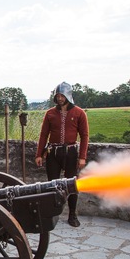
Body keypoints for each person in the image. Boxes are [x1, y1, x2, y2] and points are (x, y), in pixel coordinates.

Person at [35, 82, 89, 227]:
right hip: (53, 152)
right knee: (52, 184)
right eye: (57, 96)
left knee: (72, 185)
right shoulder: (50, 113)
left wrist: (82, 156)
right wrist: (39, 154)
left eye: (62, 95)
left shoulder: (79, 113)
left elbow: (84, 135)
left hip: (71, 153)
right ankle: (52, 213)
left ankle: (72, 214)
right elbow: (43, 135)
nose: (59, 98)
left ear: (68, 96)